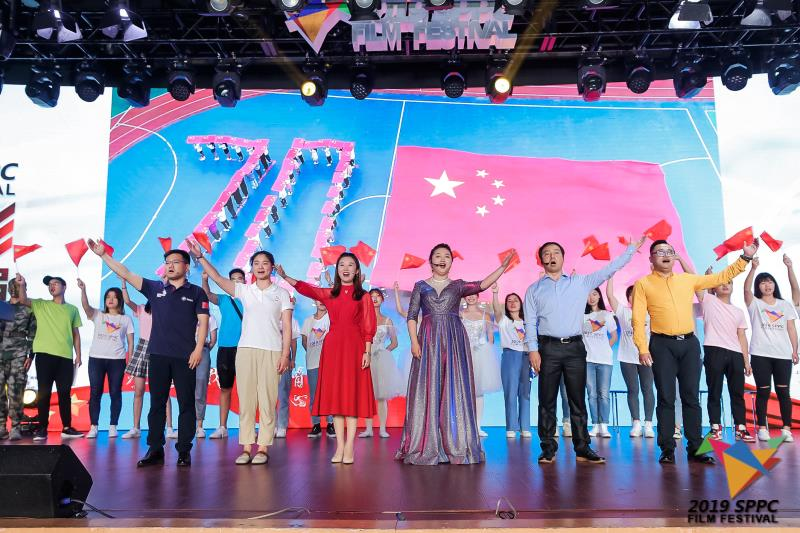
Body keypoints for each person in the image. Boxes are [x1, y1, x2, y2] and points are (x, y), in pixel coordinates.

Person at [632, 238, 758, 465]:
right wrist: (642, 348)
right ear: (651, 258)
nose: (665, 254)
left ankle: (696, 448)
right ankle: (667, 448)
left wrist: (745, 257)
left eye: (669, 251)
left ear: (674, 256)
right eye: (660, 252)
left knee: (691, 396)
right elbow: (638, 319)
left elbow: (720, 277)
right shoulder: (643, 284)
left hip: (689, 345)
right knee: (666, 397)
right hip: (661, 345)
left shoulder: (687, 280)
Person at [526, 236, 645, 465]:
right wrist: (533, 350)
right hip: (548, 348)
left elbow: (609, 269)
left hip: (575, 348)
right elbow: (530, 322)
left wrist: (630, 250)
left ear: (563, 258)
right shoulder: (534, 290)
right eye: (547, 253)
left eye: (556, 252)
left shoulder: (580, 282)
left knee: (577, 399)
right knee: (546, 400)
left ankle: (582, 448)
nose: (551, 256)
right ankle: (548, 448)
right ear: (541, 260)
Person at [89, 241, 209, 467]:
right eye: (167, 262)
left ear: (186, 267)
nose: (170, 266)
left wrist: (197, 350)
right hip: (158, 355)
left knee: (186, 404)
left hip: (185, 357)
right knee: (156, 404)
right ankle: (155, 449)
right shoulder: (155, 288)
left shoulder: (196, 292)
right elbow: (126, 273)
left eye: (175, 262)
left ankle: (184, 450)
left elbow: (203, 322)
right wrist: (104, 255)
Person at [396, 244, 514, 465]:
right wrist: (414, 341)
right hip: (428, 340)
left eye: (447, 256)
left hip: (453, 339)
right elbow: (411, 315)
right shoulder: (420, 286)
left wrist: (502, 268)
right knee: (428, 388)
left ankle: (455, 443)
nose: (442, 259)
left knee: (454, 388)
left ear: (451, 262)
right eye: (438, 256)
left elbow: (482, 284)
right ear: (431, 261)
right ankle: (427, 443)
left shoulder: (458, 285)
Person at [190, 245, 292, 466]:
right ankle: (246, 447)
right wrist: (200, 257)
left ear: (272, 267)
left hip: (272, 350)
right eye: (256, 264)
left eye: (265, 263)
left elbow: (287, 326)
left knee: (267, 400)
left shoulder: (282, 294)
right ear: (251, 268)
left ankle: (263, 447)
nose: (261, 267)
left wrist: (285, 355)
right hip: (245, 350)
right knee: (246, 399)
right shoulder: (245, 290)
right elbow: (217, 278)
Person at [277, 254, 374, 463]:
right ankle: (339, 448)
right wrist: (285, 277)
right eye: (342, 265)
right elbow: (307, 289)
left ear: (357, 270)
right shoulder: (330, 293)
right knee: (337, 399)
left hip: (355, 347)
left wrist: (367, 351)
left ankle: (350, 448)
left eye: (350, 265)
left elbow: (368, 325)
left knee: (351, 398)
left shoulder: (363, 296)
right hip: (333, 348)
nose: (346, 268)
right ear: (337, 270)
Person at [17, 274, 84, 441]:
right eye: (49, 284)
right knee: (44, 392)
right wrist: (22, 285)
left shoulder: (72, 310)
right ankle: (42, 428)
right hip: (45, 355)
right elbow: (23, 300)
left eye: (55, 283)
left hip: (65, 357)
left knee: (64, 393)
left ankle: (67, 428)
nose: (52, 286)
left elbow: (76, 334)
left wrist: (78, 355)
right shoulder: (41, 304)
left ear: (64, 287)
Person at [743, 256, 798, 442]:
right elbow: (746, 290)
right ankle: (762, 428)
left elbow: (791, 329)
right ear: (758, 286)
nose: (767, 285)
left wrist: (795, 350)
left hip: (782, 355)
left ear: (774, 285)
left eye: (770, 282)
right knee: (763, 391)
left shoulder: (785, 305)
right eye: (763, 282)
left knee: (783, 392)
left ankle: (786, 429)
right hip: (760, 354)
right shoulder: (755, 304)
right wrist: (753, 268)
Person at [695, 267, 753, 442]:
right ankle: (715, 428)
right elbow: (697, 285)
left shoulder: (738, 311)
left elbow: (742, 337)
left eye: (729, 282)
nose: (725, 285)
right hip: (714, 350)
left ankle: (741, 428)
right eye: (721, 283)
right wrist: (708, 277)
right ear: (714, 287)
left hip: (736, 354)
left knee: (737, 393)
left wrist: (746, 361)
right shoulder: (709, 301)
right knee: (715, 391)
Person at [77, 280, 134, 439]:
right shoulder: (98, 315)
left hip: (117, 360)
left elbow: (130, 342)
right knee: (95, 392)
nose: (111, 299)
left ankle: (113, 426)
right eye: (108, 297)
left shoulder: (126, 319)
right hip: (96, 359)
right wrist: (83, 290)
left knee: (115, 392)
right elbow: (85, 306)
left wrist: (130, 359)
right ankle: (93, 426)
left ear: (119, 301)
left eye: (114, 297)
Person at [120, 280, 176, 439]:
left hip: (159, 348)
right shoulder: (141, 309)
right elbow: (127, 301)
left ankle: (169, 428)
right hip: (142, 347)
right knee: (138, 390)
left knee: (163, 392)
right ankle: (135, 428)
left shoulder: (166, 311)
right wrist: (124, 283)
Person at [606, 276, 655, 438]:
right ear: (628, 298)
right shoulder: (623, 312)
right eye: (632, 294)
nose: (636, 297)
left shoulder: (651, 313)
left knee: (648, 389)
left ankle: (649, 424)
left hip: (647, 357)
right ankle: (636, 423)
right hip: (627, 358)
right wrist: (611, 275)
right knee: (633, 390)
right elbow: (610, 296)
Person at [201, 269, 244, 439]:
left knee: (246, 390)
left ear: (245, 281)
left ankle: (246, 427)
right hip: (225, 348)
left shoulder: (250, 299)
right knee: (225, 388)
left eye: (240, 279)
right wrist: (205, 280)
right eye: (233, 279)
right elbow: (207, 295)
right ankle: (222, 427)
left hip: (245, 348)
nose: (236, 282)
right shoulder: (224, 299)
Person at [360, 289, 404, 438]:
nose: (374, 299)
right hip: (366, 359)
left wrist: (383, 350)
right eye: (371, 297)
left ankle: (383, 429)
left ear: (382, 299)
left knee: (381, 396)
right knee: (367, 395)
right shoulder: (362, 319)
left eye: (377, 296)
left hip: (381, 360)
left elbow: (395, 343)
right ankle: (368, 429)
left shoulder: (387, 320)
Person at [492, 285, 531, 439]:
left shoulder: (528, 322)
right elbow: (496, 310)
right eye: (509, 301)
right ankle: (511, 427)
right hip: (510, 357)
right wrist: (495, 293)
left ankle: (525, 426)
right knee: (510, 392)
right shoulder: (504, 321)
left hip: (526, 357)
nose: (513, 303)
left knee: (525, 393)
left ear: (521, 303)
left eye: (516, 300)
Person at [0, 278, 35, 441]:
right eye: (11, 286)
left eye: (17, 286)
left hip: (19, 353)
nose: (13, 288)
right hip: (1, 352)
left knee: (16, 390)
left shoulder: (29, 308)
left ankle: (15, 426)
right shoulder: (2, 307)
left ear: (24, 288)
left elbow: (33, 334)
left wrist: (31, 355)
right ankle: (1, 426)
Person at [461, 293, 501, 437]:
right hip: (463, 354)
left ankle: (478, 426)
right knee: (464, 391)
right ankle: (465, 426)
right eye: (468, 295)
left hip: (481, 355)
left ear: (478, 297)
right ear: (464, 297)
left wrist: (487, 352)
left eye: (473, 295)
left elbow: (490, 338)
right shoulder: (460, 315)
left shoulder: (486, 315)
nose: (471, 297)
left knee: (479, 391)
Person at [583, 288, 617, 439]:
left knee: (603, 393)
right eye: (588, 295)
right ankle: (595, 424)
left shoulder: (606, 315)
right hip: (587, 360)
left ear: (599, 296)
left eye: (595, 294)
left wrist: (605, 349)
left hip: (604, 360)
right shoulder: (582, 316)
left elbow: (614, 336)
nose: (591, 297)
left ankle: (604, 425)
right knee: (591, 394)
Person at [302, 300, 334, 437]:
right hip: (312, 363)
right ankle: (316, 425)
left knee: (330, 394)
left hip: (329, 364)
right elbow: (304, 341)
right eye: (318, 299)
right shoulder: (308, 321)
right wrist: (313, 353)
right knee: (314, 395)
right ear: (315, 302)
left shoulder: (331, 318)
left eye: (324, 300)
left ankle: (331, 424)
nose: (321, 302)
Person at [276, 314, 301, 438]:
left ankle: (281, 425)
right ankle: (271, 425)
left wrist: (293, 359)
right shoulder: (271, 315)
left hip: (285, 356)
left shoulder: (292, 320)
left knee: (283, 392)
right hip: (270, 355)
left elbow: (293, 341)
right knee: (268, 393)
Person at [194, 313, 218, 438]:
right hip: (186, 350)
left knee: (200, 387)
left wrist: (204, 350)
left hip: (203, 351)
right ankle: (185, 424)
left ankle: (199, 425)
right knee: (185, 388)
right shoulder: (186, 312)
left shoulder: (210, 317)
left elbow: (213, 340)